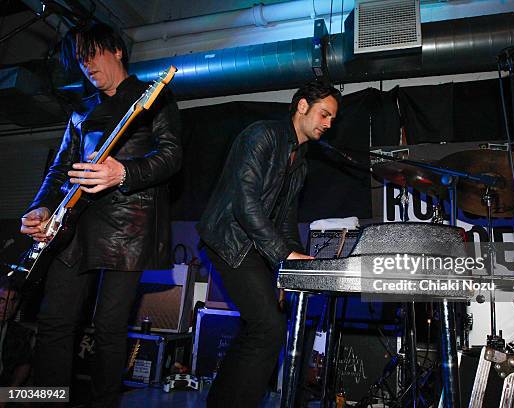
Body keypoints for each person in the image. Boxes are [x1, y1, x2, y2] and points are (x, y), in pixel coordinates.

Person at [19, 22, 181, 407]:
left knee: (109, 327)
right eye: (80, 60)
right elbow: (58, 170)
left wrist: (123, 172)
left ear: (117, 50)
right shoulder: (81, 111)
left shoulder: (153, 97)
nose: (86, 65)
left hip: (128, 227)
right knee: (55, 323)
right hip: (73, 225)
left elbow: (172, 156)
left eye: (92, 54)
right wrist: (40, 207)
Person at [197, 80, 341, 407]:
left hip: (256, 247)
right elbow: (244, 203)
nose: (328, 123)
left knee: (257, 328)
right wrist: (284, 254)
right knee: (268, 327)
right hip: (230, 241)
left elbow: (286, 219)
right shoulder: (263, 135)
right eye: (324, 114)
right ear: (302, 106)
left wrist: (294, 263)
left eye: (332, 118)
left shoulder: (300, 162)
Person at [0, 278, 34, 388]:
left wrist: (10, 391)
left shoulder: (19, 332)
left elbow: (24, 363)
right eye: (1, 300)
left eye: (12, 302)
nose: (6, 307)